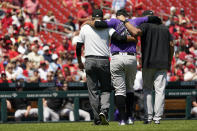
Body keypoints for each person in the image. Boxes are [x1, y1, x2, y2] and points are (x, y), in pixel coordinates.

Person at [84, 9, 161, 125]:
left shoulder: (114, 21)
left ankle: (122, 119)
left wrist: (89, 22)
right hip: (131, 58)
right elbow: (154, 18)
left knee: (119, 90)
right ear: (127, 15)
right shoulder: (135, 20)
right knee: (130, 88)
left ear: (118, 16)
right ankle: (130, 118)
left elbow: (99, 24)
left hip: (116, 58)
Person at [76, 9, 137, 125]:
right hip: (104, 60)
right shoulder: (107, 28)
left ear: (92, 18)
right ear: (103, 18)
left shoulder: (85, 28)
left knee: (93, 91)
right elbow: (120, 38)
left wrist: (79, 61)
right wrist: (133, 38)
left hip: (89, 60)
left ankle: (97, 118)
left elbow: (78, 46)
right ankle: (104, 111)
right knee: (106, 89)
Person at [128, 10, 174, 124]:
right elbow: (172, 45)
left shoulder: (145, 25)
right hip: (162, 63)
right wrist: (169, 60)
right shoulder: (164, 28)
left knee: (147, 90)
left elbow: (136, 33)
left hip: (148, 62)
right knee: (160, 91)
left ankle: (148, 117)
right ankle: (157, 118)